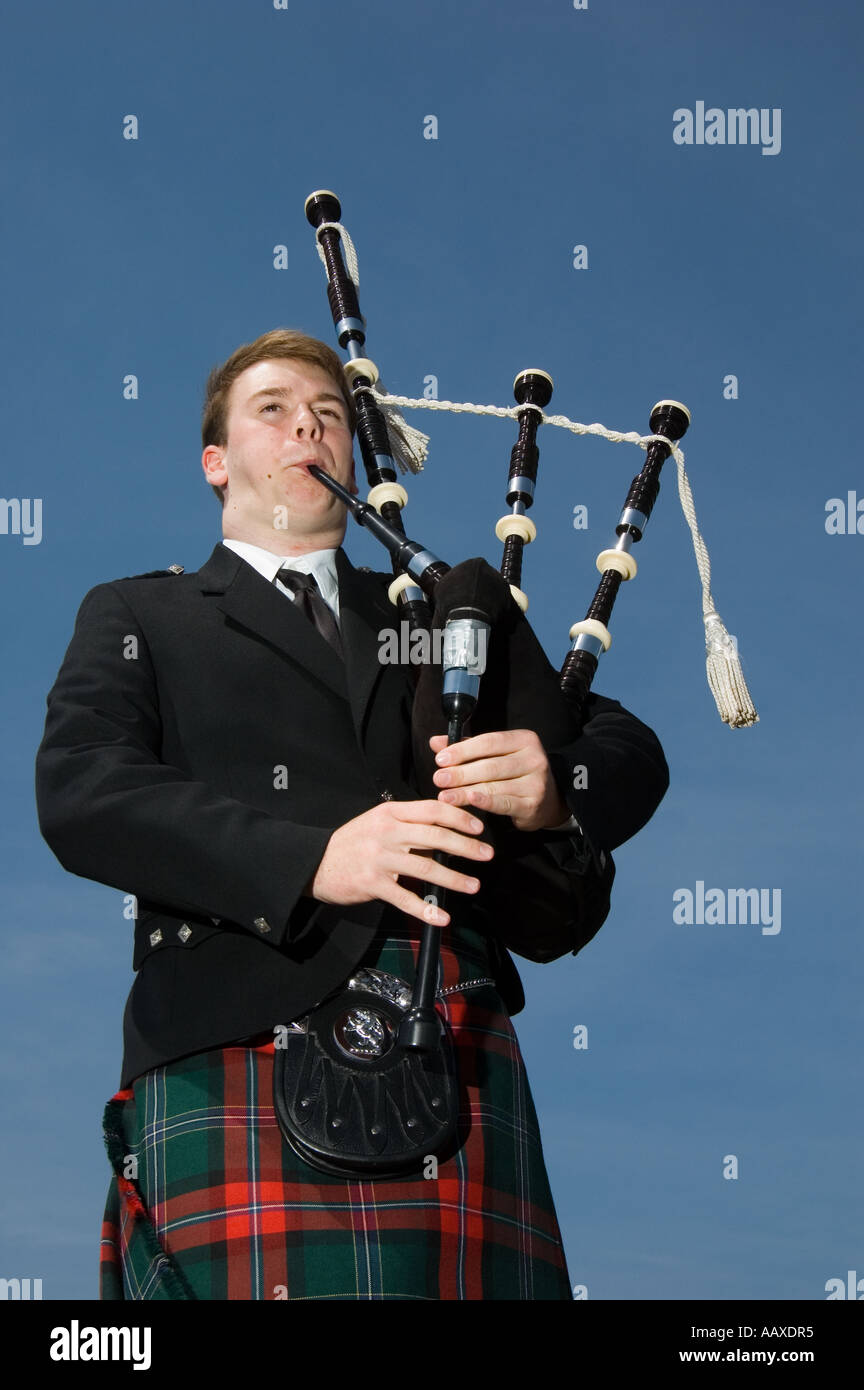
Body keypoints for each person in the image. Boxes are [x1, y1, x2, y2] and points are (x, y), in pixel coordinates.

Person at [34, 327, 669, 1301]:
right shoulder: (140, 615)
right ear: (217, 460)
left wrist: (552, 783)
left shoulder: (431, 618)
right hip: (231, 1047)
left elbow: (626, 748)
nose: (308, 429)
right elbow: (83, 790)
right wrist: (313, 858)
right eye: (274, 410)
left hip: (445, 1044)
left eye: (328, 416)